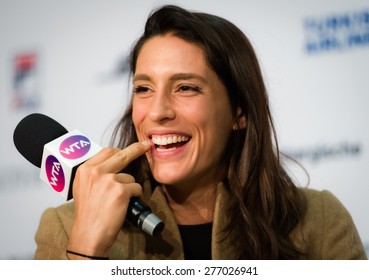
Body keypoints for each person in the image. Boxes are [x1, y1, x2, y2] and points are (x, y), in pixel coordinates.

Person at [34, 5, 367, 260]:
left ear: (239, 112)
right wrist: (84, 252)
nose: (158, 111)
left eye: (186, 87)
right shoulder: (65, 226)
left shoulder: (319, 220)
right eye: (144, 88)